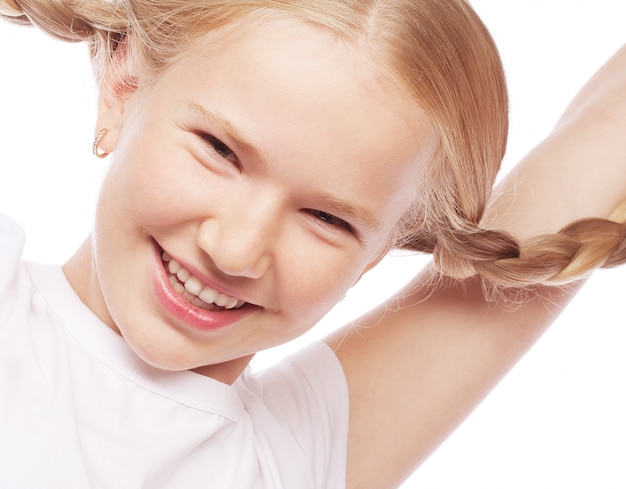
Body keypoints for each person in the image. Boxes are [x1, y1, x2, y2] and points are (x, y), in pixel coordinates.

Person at [0, 1, 625, 488]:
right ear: (124, 79)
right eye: (219, 151)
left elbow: (605, 139)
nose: (237, 250)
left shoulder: (295, 459)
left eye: (327, 218)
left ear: (379, 252)